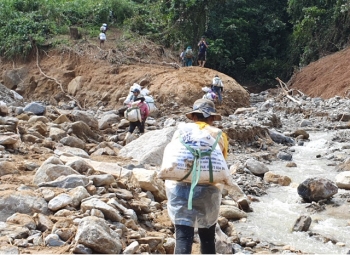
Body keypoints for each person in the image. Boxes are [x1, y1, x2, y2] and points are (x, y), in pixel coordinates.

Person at [164, 99, 228, 254]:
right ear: (212, 118)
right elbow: (221, 164)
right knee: (207, 238)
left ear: (193, 116)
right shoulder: (219, 136)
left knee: (183, 237)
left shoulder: (181, 132)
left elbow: (174, 158)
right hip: (208, 194)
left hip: (179, 190)